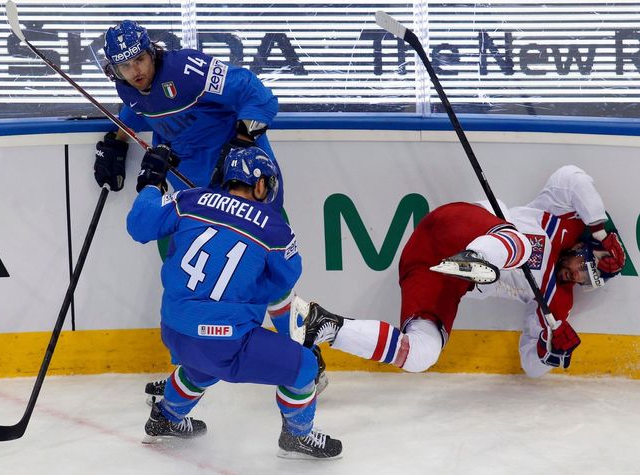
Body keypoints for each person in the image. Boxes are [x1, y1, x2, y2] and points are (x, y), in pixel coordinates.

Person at [94, 20, 327, 396]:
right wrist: (117, 140)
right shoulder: (128, 85)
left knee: (268, 271)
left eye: (140, 59)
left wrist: (243, 135)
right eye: (125, 65)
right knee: (198, 274)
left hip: (242, 179)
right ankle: (193, 367)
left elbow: (257, 94)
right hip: (193, 185)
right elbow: (140, 108)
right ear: (114, 69)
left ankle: (303, 353)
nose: (135, 71)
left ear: (151, 52)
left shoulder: (189, 70)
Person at [290, 165, 626, 378]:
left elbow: (530, 366)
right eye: (587, 267)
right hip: (456, 226)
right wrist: (601, 230)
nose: (579, 277)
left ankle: (326, 326)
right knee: (522, 246)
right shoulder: (560, 220)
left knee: (422, 354)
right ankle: (478, 255)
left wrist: (551, 349)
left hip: (435, 271)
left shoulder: (557, 302)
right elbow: (571, 177)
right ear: (585, 247)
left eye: (588, 281)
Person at [126, 145, 342, 459]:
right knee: (305, 367)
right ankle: (297, 437)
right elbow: (280, 288)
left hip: (173, 330)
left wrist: (151, 180)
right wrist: (297, 343)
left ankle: (166, 417)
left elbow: (139, 225)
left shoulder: (190, 200)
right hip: (224, 343)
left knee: (201, 369)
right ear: (259, 185)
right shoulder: (275, 230)